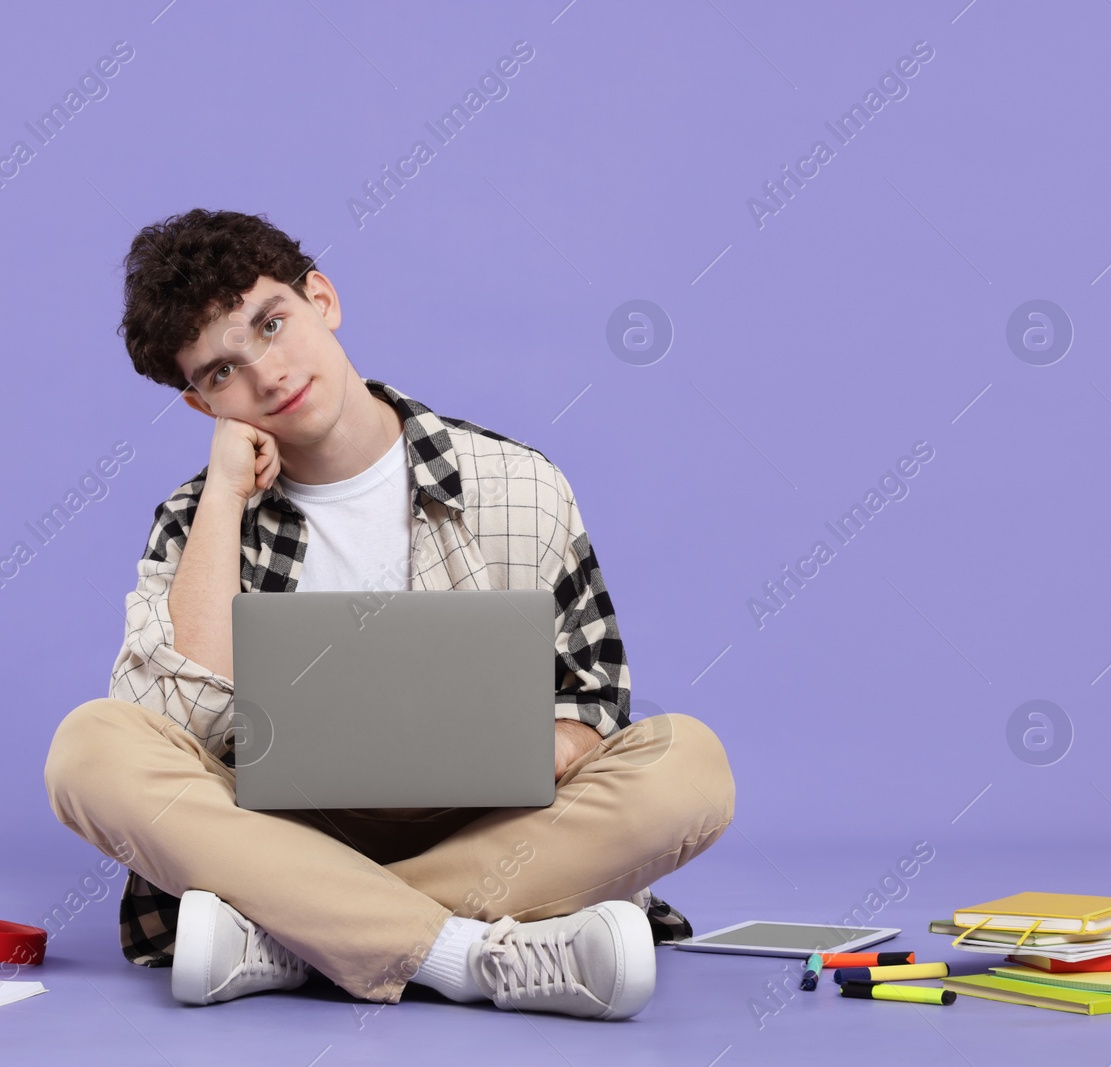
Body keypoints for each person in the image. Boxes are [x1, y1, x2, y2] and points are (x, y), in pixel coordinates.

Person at [43, 209, 736, 1020]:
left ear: (322, 298)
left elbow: (591, 700)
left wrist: (502, 750)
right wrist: (226, 497)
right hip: (275, 828)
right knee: (89, 748)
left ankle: (292, 936)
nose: (266, 373)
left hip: (481, 826)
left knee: (688, 762)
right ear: (201, 406)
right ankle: (468, 954)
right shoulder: (198, 517)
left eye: (272, 324)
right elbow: (175, 718)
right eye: (222, 371)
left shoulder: (518, 482)